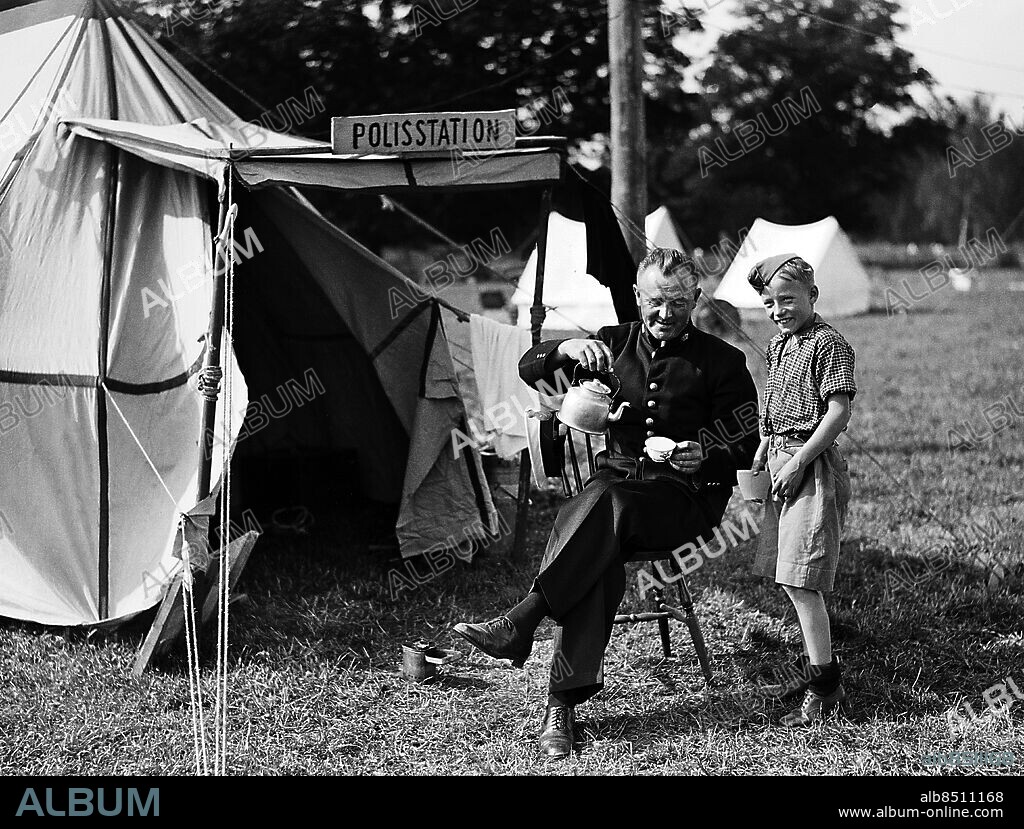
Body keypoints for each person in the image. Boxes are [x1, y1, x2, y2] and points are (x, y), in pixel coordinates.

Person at [454, 248, 759, 759]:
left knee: (597, 509)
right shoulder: (611, 344)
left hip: (683, 500)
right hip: (611, 494)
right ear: (638, 296)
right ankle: (561, 704)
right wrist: (566, 349)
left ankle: (526, 622)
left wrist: (704, 454)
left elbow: (749, 440)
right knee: (600, 533)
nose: (666, 314)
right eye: (656, 302)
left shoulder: (722, 362)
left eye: (680, 303)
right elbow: (531, 370)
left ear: (697, 300)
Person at [746, 253, 856, 727]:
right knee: (788, 573)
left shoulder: (829, 345)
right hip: (780, 458)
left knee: (801, 578)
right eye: (769, 302)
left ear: (813, 295)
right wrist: (763, 449)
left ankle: (825, 685)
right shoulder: (778, 345)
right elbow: (775, 406)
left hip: (811, 464)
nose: (778, 310)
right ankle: (817, 664)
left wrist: (797, 462)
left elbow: (837, 413)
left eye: (787, 299)